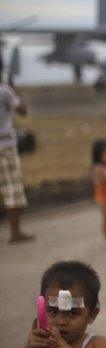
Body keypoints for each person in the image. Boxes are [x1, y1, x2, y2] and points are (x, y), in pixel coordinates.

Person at [23, 261, 106, 348]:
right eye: (53, 312)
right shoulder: (42, 344)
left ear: (92, 315)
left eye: (72, 313)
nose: (61, 322)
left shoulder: (98, 344)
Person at [0, 78, 33, 244]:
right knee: (12, 189)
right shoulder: (4, 90)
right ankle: (15, 232)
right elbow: (23, 110)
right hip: (5, 146)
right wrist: (15, 90)